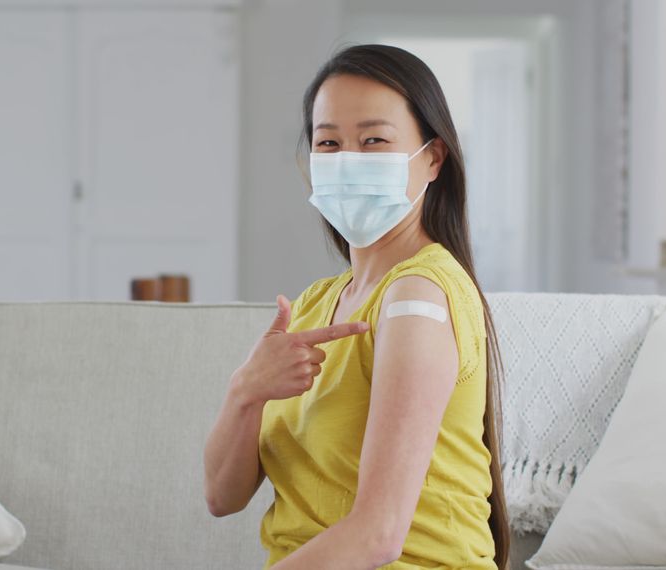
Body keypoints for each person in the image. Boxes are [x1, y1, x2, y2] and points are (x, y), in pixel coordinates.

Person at [203, 44, 511, 569]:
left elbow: (378, 536)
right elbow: (221, 498)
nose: (349, 160)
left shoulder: (419, 296)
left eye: (374, 140)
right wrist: (245, 392)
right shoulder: (312, 305)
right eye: (329, 143)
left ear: (432, 158)